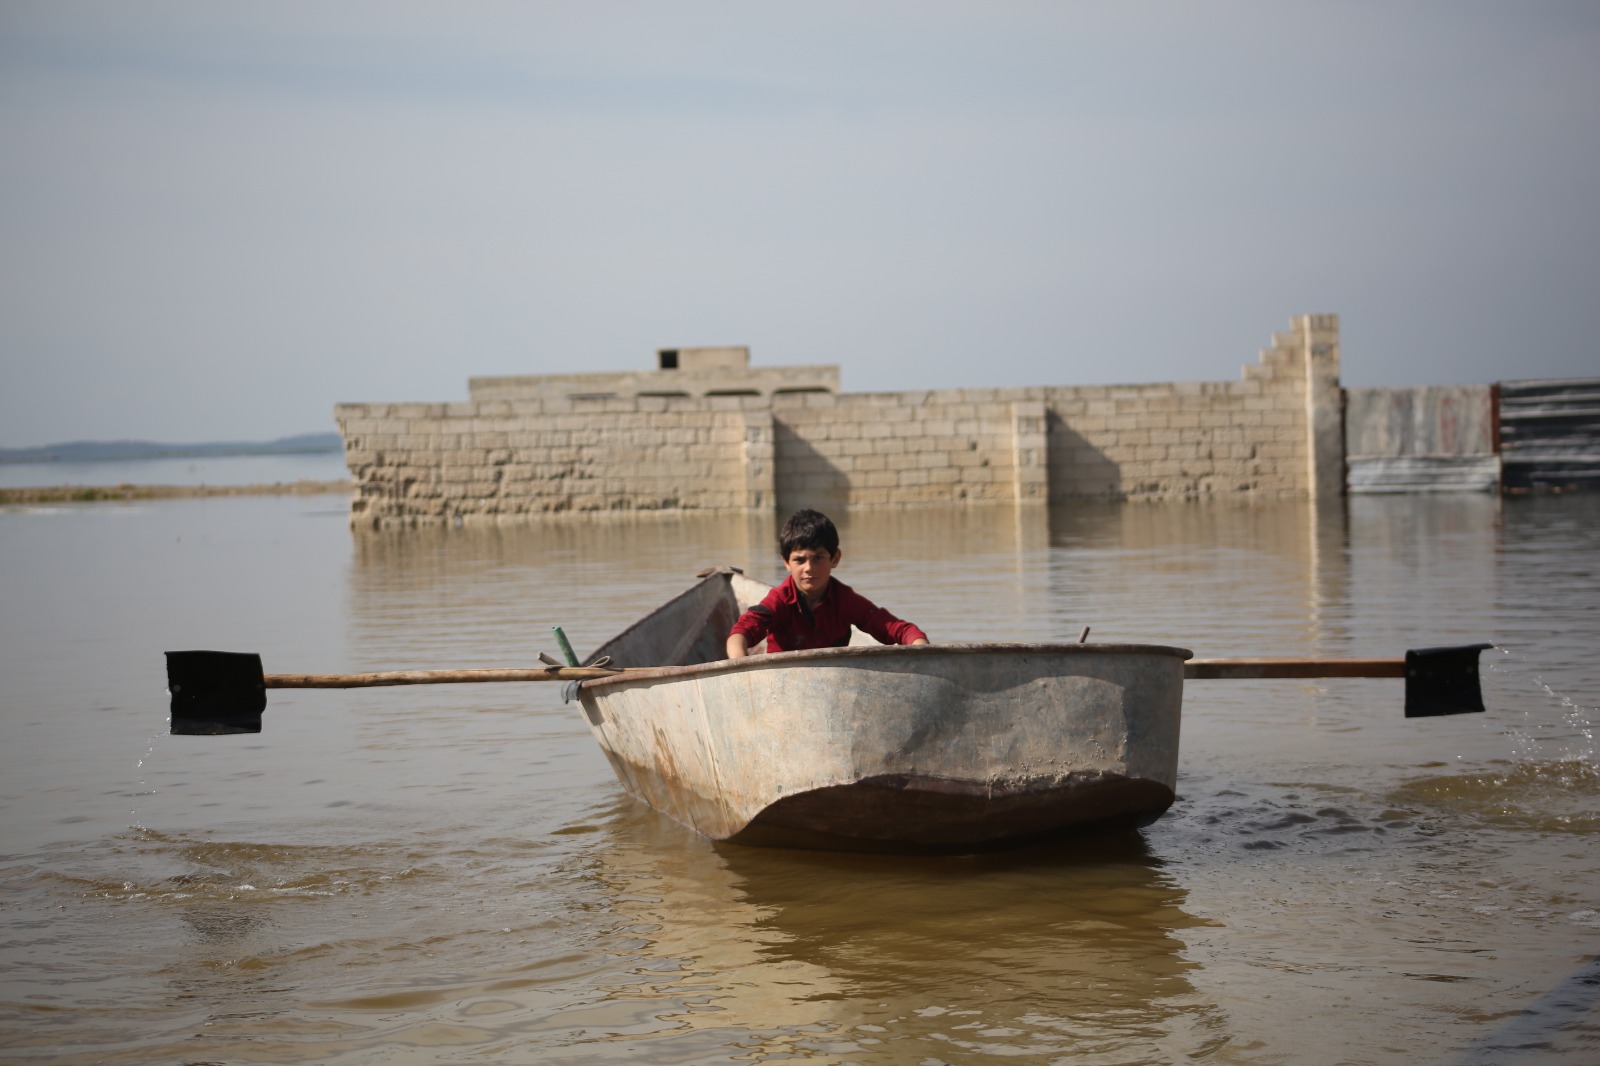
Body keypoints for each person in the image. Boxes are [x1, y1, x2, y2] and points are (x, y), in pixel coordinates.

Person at [726, 509, 930, 658]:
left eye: (818, 558)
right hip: (781, 686)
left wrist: (922, 651)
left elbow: (899, 630)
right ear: (786, 563)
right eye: (799, 560)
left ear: (835, 558)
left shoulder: (845, 600)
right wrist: (740, 664)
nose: (808, 568)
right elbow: (741, 633)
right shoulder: (780, 600)